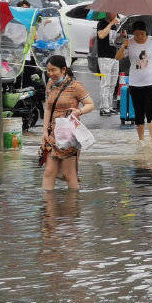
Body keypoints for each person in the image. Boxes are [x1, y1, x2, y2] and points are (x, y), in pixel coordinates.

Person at [40, 55, 94, 190]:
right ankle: (48, 208)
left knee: (69, 174)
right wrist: (45, 131)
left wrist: (78, 111)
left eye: (53, 70)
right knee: (49, 172)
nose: (50, 74)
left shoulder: (75, 86)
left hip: (68, 136)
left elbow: (90, 104)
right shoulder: (50, 84)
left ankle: (73, 207)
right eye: (48, 70)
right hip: (52, 134)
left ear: (63, 70)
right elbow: (48, 108)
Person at [94, 13, 120, 116]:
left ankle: (109, 106)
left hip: (115, 56)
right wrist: (110, 24)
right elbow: (101, 35)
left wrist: (122, 36)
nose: (115, 14)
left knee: (113, 82)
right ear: (108, 12)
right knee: (105, 82)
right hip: (104, 57)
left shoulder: (116, 25)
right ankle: (103, 107)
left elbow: (116, 40)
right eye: (113, 11)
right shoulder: (101, 23)